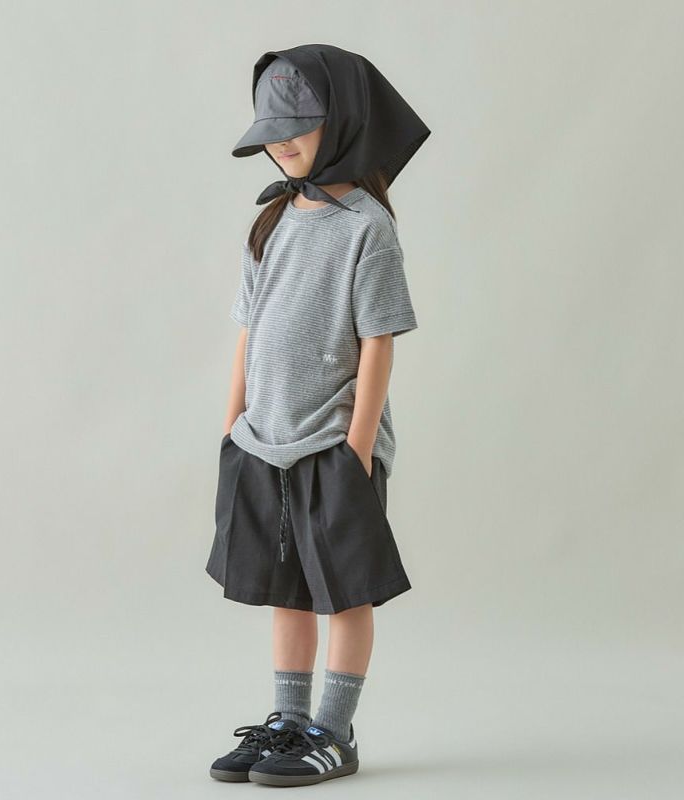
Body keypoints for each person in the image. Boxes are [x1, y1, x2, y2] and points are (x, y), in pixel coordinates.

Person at [205, 43, 431, 787]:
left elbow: (377, 343)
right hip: (263, 441)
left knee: (346, 593)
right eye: (271, 130)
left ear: (344, 122)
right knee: (286, 591)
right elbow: (248, 330)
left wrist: (357, 451)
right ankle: (289, 721)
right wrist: (232, 425)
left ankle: (334, 732)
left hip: (332, 443)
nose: (282, 143)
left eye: (297, 126)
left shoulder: (367, 227)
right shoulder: (270, 221)